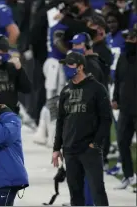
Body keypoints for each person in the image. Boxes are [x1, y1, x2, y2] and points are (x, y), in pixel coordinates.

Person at [52, 51, 111, 206]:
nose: (66, 68)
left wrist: (96, 144)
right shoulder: (65, 91)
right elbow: (60, 121)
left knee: (97, 191)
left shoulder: (97, 89)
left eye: (70, 64)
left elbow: (106, 120)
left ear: (80, 67)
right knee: (75, 194)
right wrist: (56, 148)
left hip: (89, 150)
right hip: (70, 150)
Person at [112, 28, 137, 189]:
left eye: (132, 38)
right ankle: (129, 176)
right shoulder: (122, 57)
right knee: (122, 141)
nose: (128, 41)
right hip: (125, 108)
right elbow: (118, 79)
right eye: (127, 38)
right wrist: (115, 98)